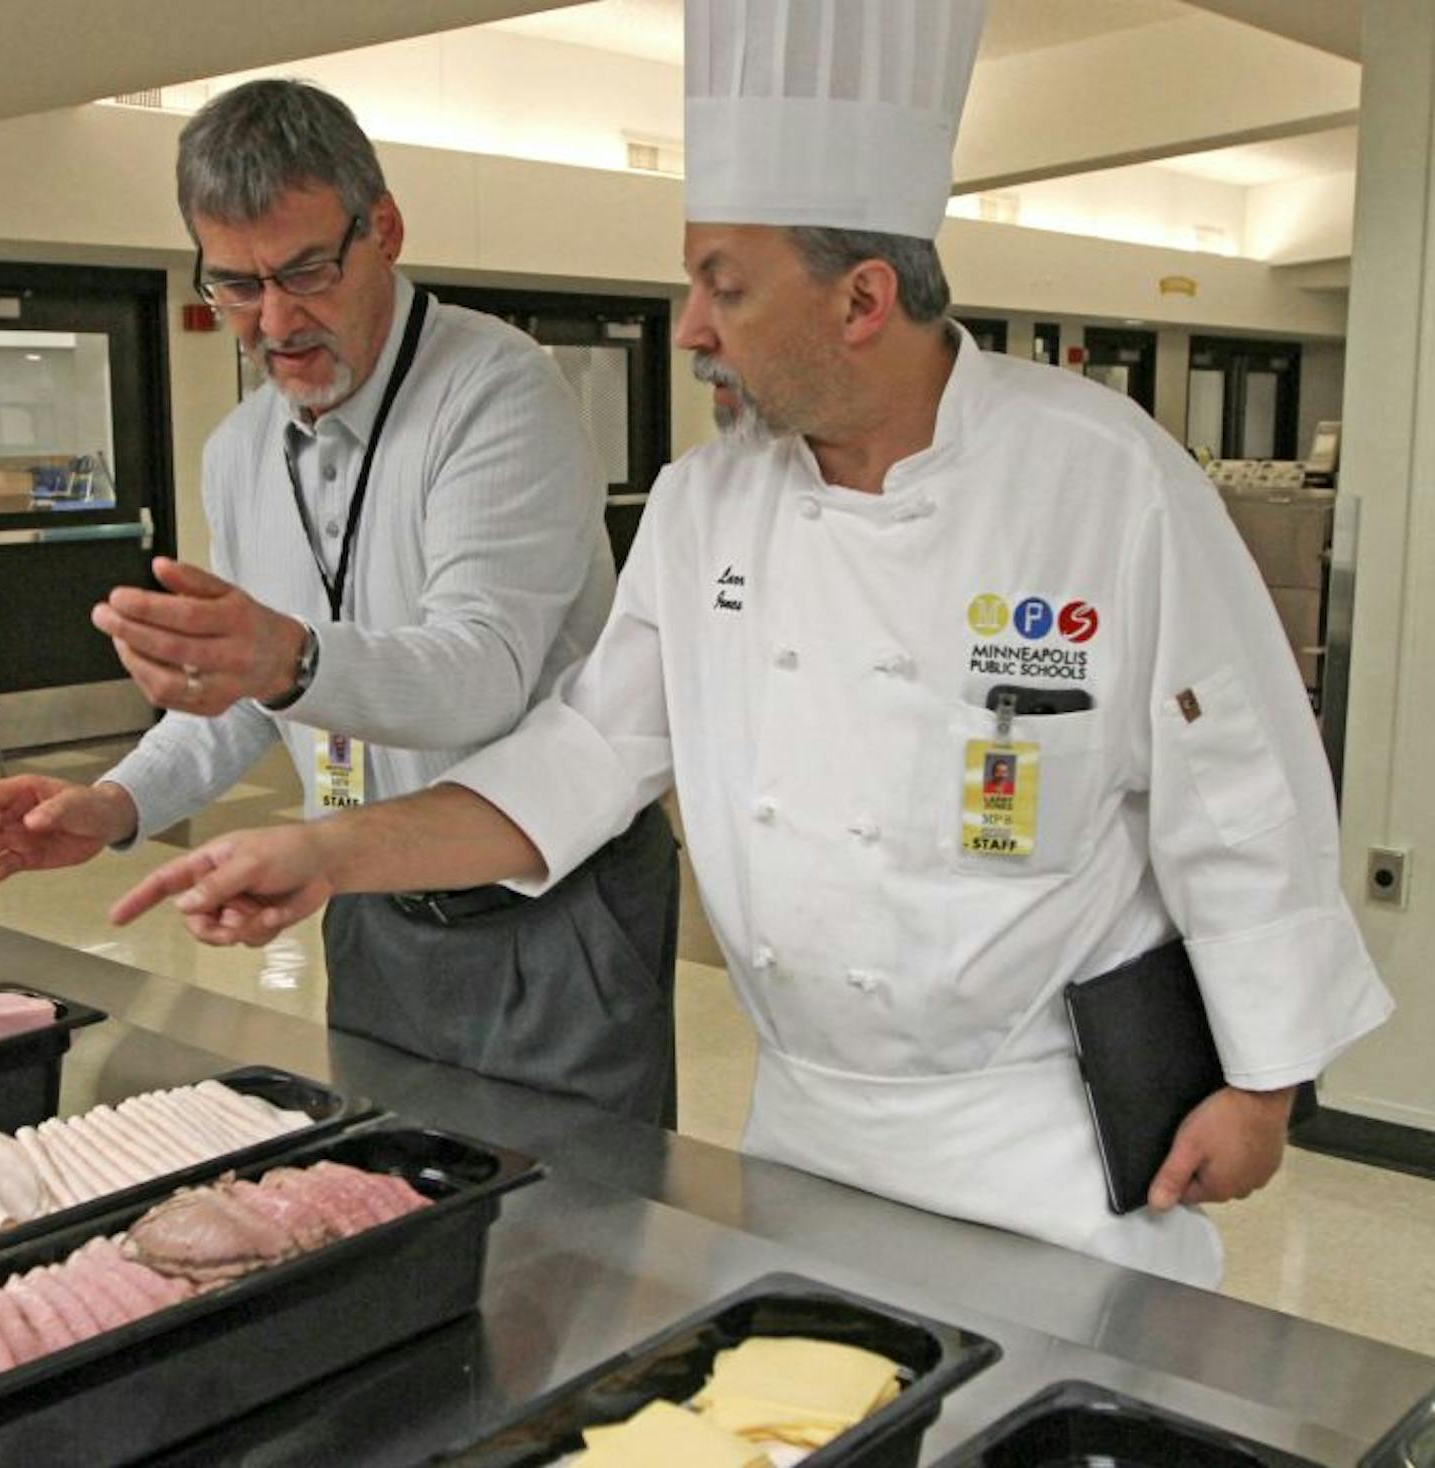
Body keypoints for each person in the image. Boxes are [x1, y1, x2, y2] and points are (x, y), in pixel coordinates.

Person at [106, 0, 1393, 1285]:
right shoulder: (705, 505)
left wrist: (1266, 1083)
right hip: (804, 1129)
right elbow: (578, 759)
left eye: (725, 285)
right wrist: (328, 850)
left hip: (1049, 1139)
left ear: (862, 298)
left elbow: (1242, 791)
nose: (690, 329)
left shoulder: (1105, 480)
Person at [0, 78, 683, 1124]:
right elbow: (248, 696)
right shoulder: (241, 450)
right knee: (394, 1187)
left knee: (580, 1225)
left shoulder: (497, 393)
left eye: (305, 271)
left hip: (552, 907)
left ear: (382, 228)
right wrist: (116, 803)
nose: (276, 322)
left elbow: (481, 673)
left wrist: (284, 658)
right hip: (364, 894)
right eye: (237, 286)